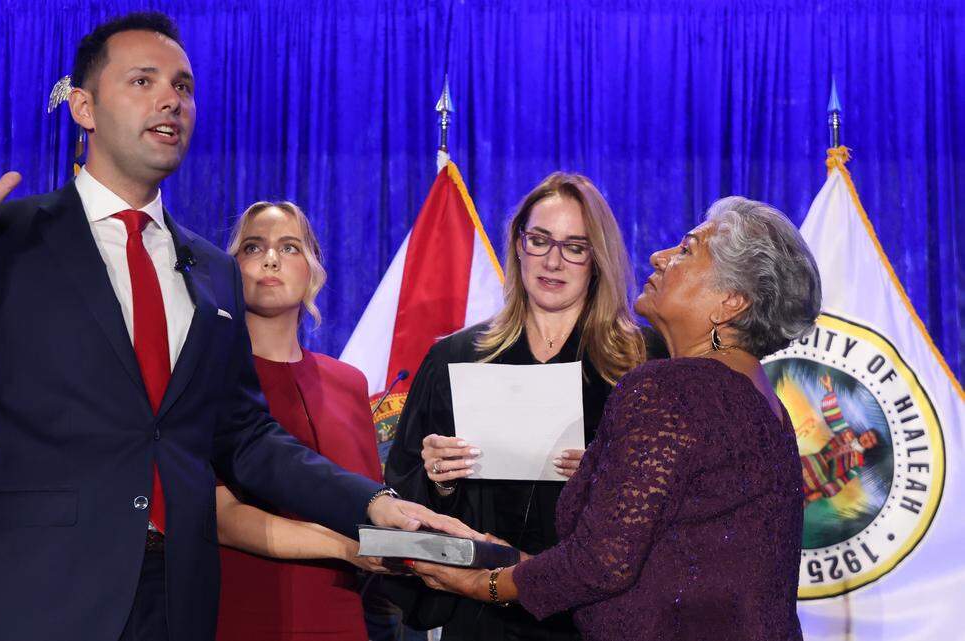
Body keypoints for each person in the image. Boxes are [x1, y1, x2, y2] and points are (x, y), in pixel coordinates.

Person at [0, 13, 473, 641]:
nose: (170, 100)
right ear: (84, 108)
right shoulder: (8, 240)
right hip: (34, 598)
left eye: (183, 86)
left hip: (176, 599)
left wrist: (373, 504)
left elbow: (245, 437)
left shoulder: (213, 271)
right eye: (143, 81)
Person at [411, 196, 820, 641]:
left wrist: (483, 583)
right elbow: (669, 561)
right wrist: (516, 561)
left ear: (730, 303)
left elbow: (599, 564)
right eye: (539, 241)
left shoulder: (669, 388)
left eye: (686, 250)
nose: (659, 256)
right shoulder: (764, 401)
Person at [384, 172, 657, 640]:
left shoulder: (643, 363)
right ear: (518, 244)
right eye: (540, 240)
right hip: (480, 615)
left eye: (575, 246)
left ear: (597, 258)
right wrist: (439, 481)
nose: (553, 261)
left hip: (595, 616)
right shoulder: (454, 357)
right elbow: (403, 499)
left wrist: (608, 479)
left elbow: (677, 507)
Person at [212, 200, 386, 641]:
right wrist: (347, 548)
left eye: (289, 247)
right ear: (229, 269)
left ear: (313, 271)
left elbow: (367, 502)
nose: (270, 259)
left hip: (344, 615)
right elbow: (221, 518)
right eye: (253, 247)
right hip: (242, 612)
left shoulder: (349, 382)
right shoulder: (207, 375)